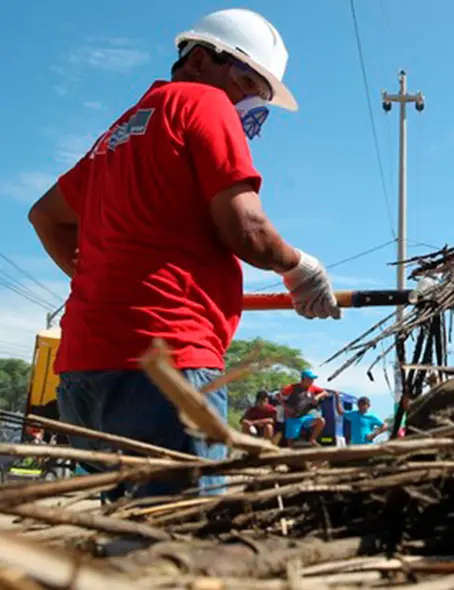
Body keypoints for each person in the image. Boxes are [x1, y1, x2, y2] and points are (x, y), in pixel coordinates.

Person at [27, 8, 342, 498]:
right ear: (199, 60)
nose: (250, 102)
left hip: (84, 374)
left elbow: (46, 216)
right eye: (247, 81)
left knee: (133, 546)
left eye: (261, 94)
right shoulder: (203, 103)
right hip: (165, 365)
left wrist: (105, 279)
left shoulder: (122, 131)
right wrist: (301, 269)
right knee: (186, 553)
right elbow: (248, 229)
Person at [280, 370, 332, 446]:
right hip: (293, 417)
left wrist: (317, 397)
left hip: (306, 417)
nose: (312, 381)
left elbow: (325, 392)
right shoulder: (292, 387)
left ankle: (312, 440)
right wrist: (285, 407)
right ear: (304, 379)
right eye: (311, 379)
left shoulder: (313, 388)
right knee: (290, 442)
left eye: (313, 379)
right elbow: (279, 396)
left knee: (321, 421)